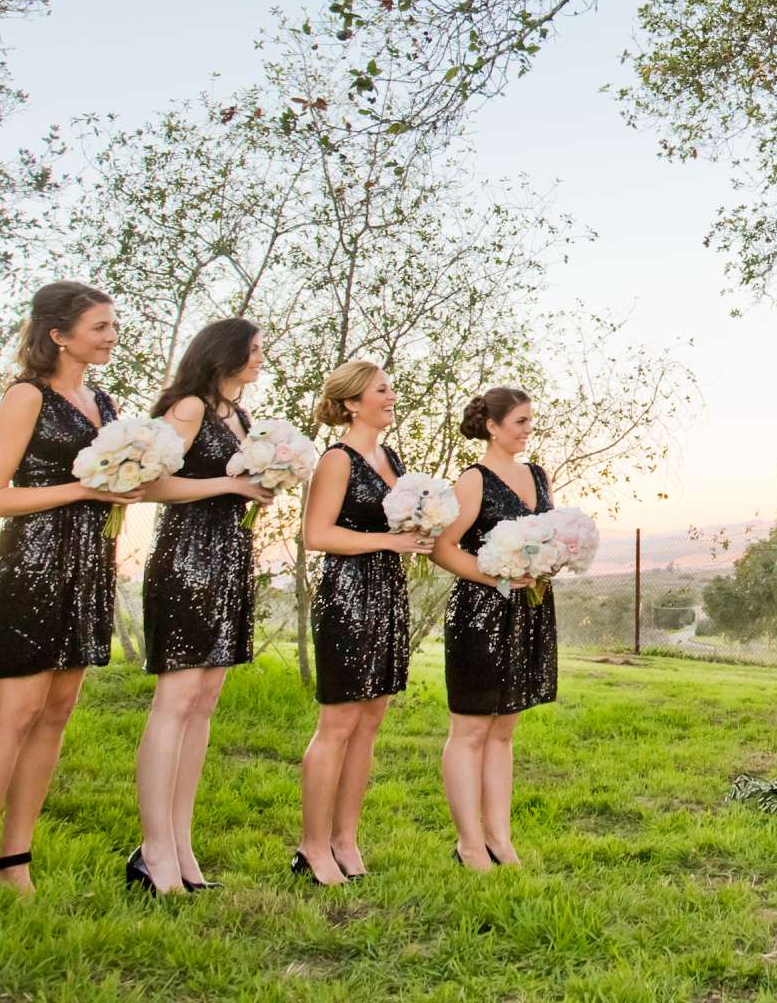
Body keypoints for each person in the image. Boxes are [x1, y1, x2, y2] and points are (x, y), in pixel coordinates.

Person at [0, 281, 137, 898]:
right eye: (100, 327)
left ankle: (16, 862)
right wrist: (85, 490)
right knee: (15, 715)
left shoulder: (104, 403)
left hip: (88, 568)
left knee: (56, 715)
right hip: (31, 566)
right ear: (58, 334)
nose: (111, 337)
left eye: (113, 326)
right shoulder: (26, 396)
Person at [132, 318, 274, 894]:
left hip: (230, 556)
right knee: (176, 698)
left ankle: (182, 843)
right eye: (255, 350)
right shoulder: (187, 407)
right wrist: (231, 487)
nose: (261, 359)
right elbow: (150, 485)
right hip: (187, 555)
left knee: (205, 701)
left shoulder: (239, 417)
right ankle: (153, 848)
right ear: (226, 353)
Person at [294, 360, 434, 886]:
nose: (391, 396)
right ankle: (311, 846)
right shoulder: (337, 459)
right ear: (353, 402)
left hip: (388, 594)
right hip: (348, 595)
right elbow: (318, 535)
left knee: (371, 723)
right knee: (338, 726)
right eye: (382, 390)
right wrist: (390, 541)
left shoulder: (389, 457)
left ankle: (344, 839)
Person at [432, 387, 558, 871]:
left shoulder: (537, 475)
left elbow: (549, 532)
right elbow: (443, 548)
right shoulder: (472, 480)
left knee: (504, 730)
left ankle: (499, 840)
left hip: (529, 608)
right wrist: (498, 575)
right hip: (481, 612)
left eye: (530, 421)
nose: (528, 429)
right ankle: (468, 844)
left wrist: (554, 558)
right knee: (470, 729)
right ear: (493, 426)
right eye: (520, 421)